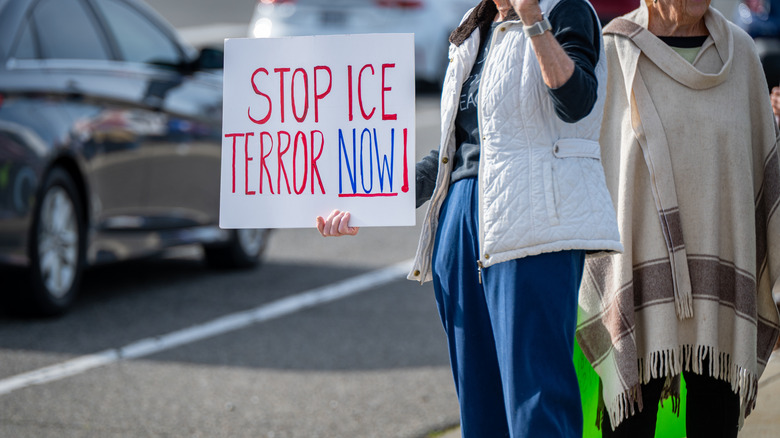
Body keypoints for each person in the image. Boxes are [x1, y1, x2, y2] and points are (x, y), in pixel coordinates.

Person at [318, 0, 622, 436]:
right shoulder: (472, 28)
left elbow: (576, 102)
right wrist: (367, 202)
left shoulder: (566, 10)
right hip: (459, 224)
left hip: (531, 230)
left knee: (536, 400)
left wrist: (534, 19)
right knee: (479, 404)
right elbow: (448, 154)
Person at [575, 1, 780, 436]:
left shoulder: (740, 55)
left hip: (722, 303)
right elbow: (588, 168)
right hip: (637, 294)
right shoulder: (614, 49)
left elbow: (766, 173)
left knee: (716, 425)